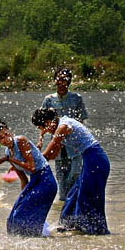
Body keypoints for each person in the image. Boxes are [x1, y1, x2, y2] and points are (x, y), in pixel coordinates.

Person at [31, 108, 110, 235]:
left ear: (47, 122)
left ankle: (94, 231)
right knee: (73, 195)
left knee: (88, 196)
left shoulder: (63, 126)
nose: (44, 131)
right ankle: (69, 225)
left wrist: (32, 159)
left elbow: (49, 152)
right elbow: (53, 154)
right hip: (90, 160)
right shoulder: (60, 126)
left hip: (95, 159)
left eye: (42, 128)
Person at [0, 120, 57, 237]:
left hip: (46, 181)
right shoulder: (8, 152)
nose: (7, 138)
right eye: (2, 137)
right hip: (35, 182)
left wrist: (9, 160)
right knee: (13, 217)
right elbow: (23, 179)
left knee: (21, 215)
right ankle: (33, 239)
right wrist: (23, 197)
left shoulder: (20, 141)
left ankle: (37, 239)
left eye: (7, 133)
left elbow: (32, 167)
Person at [39, 68, 89, 201]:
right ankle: (63, 205)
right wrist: (41, 139)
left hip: (74, 144)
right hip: (57, 145)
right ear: (55, 81)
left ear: (69, 82)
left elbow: (81, 121)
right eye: (59, 79)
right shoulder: (49, 100)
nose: (61, 82)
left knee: (76, 173)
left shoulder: (76, 98)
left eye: (64, 79)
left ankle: (74, 201)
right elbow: (43, 123)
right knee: (61, 177)